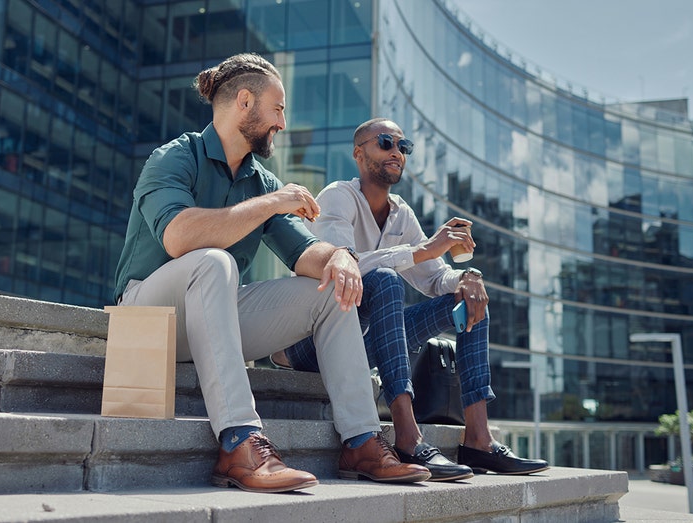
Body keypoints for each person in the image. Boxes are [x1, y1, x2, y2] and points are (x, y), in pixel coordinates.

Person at [113, 56, 430, 494]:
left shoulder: (261, 180)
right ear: (245, 102)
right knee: (214, 261)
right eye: (277, 109)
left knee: (330, 288)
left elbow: (304, 250)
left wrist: (337, 257)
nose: (283, 122)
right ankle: (240, 442)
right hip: (148, 316)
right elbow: (179, 238)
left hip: (215, 316)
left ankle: (362, 442)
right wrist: (270, 203)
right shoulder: (173, 158)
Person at [273, 117, 549, 480]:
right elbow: (342, 264)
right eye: (385, 142)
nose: (397, 153)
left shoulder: (401, 212)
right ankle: (407, 434)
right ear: (359, 153)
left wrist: (468, 277)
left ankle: (479, 441)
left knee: (467, 300)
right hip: (308, 343)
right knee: (386, 280)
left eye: (403, 147)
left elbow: (434, 278)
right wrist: (421, 249)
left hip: (363, 342)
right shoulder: (338, 196)